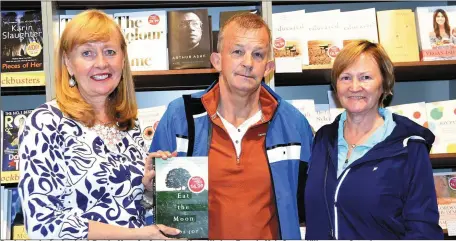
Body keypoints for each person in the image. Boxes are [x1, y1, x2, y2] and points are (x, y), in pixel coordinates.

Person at [142, 13, 313, 239]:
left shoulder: (293, 124)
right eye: (238, 51)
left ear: (268, 67)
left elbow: (310, 206)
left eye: (258, 54)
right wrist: (149, 191)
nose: (248, 63)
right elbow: (155, 211)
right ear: (216, 60)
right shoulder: (181, 117)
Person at [18, 10, 179, 239]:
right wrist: (138, 235)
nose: (101, 63)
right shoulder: (45, 123)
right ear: (68, 63)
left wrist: (148, 189)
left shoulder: (128, 126)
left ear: (123, 60)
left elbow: (129, 211)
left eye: (110, 52)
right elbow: (43, 224)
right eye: (87, 53)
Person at [304, 40, 443, 239]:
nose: (354, 87)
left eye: (365, 77)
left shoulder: (409, 147)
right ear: (336, 86)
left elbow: (423, 230)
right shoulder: (322, 139)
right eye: (345, 77)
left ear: (384, 84)